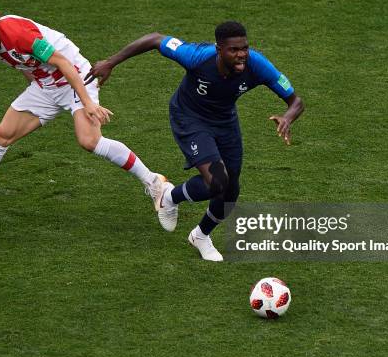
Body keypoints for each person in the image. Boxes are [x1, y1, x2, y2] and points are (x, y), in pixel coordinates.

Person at [0, 0, 167, 211]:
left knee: (89, 141)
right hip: (46, 85)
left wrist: (88, 103)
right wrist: (35, 92)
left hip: (75, 78)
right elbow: (22, 65)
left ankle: (154, 182)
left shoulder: (16, 32)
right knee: (2, 134)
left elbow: (62, 62)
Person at [85, 21, 304, 261]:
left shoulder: (258, 65)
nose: (241, 55)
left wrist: (287, 117)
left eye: (245, 48)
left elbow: (296, 101)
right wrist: (111, 62)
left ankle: (200, 235)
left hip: (225, 122)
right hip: (190, 119)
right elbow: (156, 39)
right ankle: (168, 197)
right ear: (219, 49)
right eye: (234, 50)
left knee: (231, 190)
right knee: (218, 182)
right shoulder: (197, 56)